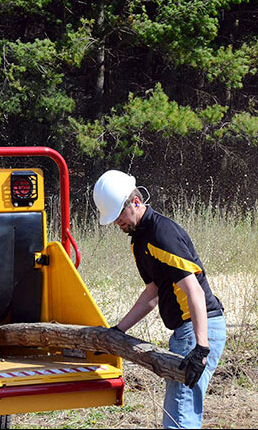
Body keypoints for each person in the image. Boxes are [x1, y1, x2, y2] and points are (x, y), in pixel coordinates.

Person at [93, 170, 226, 429]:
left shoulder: (161, 234)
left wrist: (200, 348)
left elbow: (195, 291)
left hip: (196, 329)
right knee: (178, 414)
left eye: (119, 214)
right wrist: (119, 330)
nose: (116, 222)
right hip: (186, 331)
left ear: (135, 202)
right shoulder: (140, 240)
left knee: (180, 418)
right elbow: (151, 293)